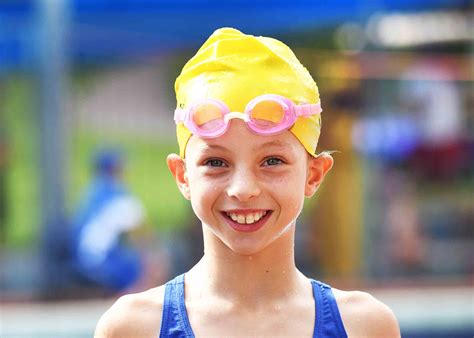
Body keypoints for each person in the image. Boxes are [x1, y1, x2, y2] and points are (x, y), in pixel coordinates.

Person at [95, 28, 400, 337]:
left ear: (314, 174)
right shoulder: (132, 328)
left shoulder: (365, 326)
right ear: (183, 176)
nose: (243, 189)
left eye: (272, 161)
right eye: (216, 163)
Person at [71, 148, 150, 293]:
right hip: (103, 263)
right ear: (115, 169)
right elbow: (143, 237)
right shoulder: (120, 197)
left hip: (79, 259)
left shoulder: (90, 192)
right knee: (146, 260)